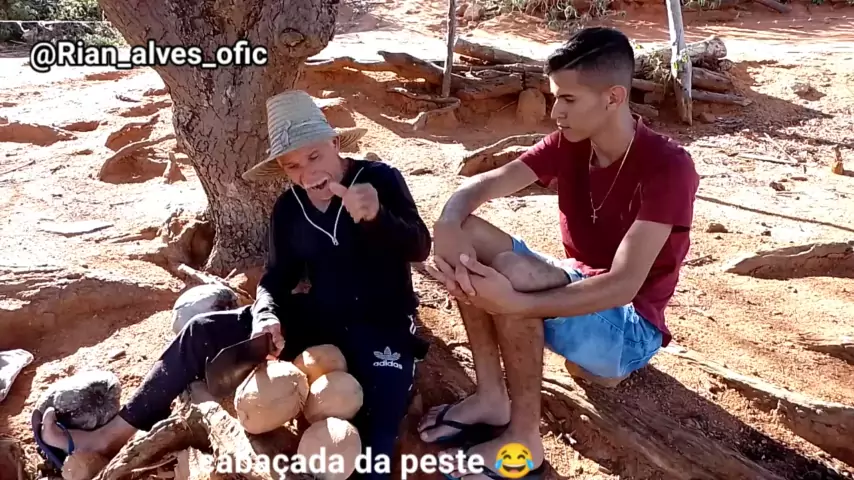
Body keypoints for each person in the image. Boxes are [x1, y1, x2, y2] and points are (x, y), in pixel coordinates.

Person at [32, 90, 432, 480]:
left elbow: (419, 247)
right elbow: (278, 277)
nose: (308, 173)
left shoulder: (379, 180)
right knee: (202, 331)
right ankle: (109, 436)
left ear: (334, 143)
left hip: (383, 324)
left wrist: (378, 217)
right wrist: (266, 316)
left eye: (314, 156)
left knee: (375, 428)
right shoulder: (289, 208)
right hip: (321, 318)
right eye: (292, 166)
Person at [417, 27, 700, 479]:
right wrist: (448, 221)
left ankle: (524, 441)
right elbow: (488, 183)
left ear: (613, 97)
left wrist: (517, 304)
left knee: (515, 278)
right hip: (577, 283)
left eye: (568, 99)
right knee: (467, 234)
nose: (555, 112)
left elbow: (623, 286)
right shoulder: (571, 144)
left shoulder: (668, 166)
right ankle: (491, 397)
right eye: (555, 97)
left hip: (630, 326)